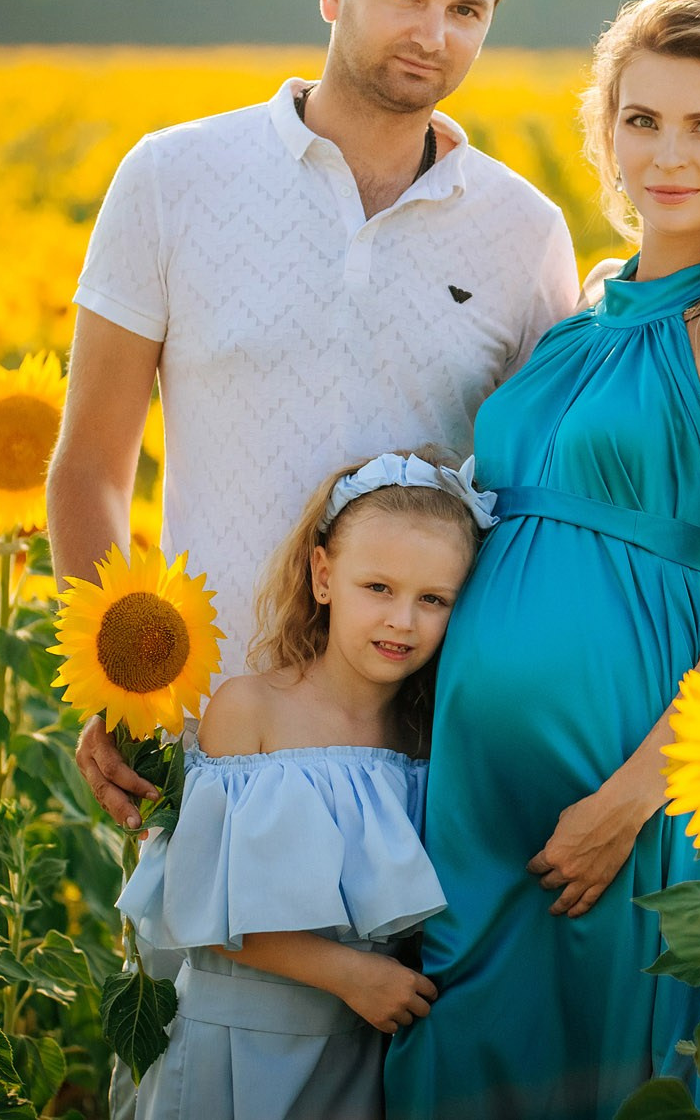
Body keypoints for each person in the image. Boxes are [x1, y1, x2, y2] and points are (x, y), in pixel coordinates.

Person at [380, 0, 700, 1118]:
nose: (668, 155)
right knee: (451, 1064)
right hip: (476, 791)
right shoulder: (579, 311)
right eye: (641, 119)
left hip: (623, 789)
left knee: (598, 1075)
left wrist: (630, 798)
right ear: (607, 128)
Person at [55, 0, 579, 825]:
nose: (432, 34)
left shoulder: (524, 231)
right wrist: (112, 681)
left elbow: (543, 505)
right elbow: (88, 466)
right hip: (207, 748)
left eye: (466, 10)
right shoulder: (173, 179)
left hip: (427, 768)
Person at [115, 449, 492, 1120]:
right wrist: (352, 976)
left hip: (360, 1056)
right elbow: (198, 906)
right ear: (323, 576)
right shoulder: (251, 710)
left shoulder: (428, 739)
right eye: (377, 588)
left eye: (433, 600)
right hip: (235, 1050)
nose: (402, 621)